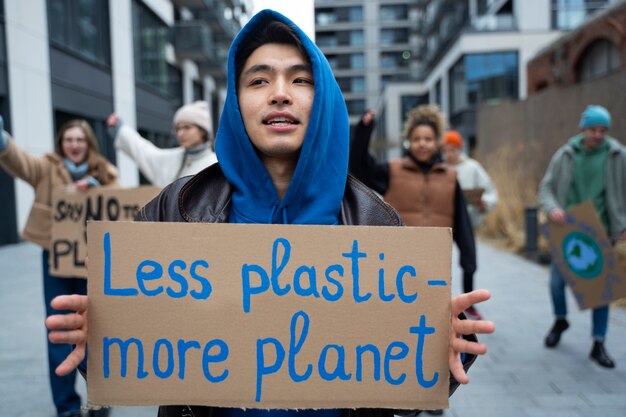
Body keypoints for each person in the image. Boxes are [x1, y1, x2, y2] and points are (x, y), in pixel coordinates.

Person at [45, 10, 495, 417]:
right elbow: (139, 352)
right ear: (235, 102)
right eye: (258, 81)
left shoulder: (375, 222)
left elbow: (393, 392)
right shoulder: (175, 208)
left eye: (300, 80)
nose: (280, 94)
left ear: (323, 99)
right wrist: (99, 343)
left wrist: (437, 353)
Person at [0, 117, 117, 417]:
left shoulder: (104, 172)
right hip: (57, 261)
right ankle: (66, 408)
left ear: (88, 143)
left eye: (79, 139)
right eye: (69, 140)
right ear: (61, 144)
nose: (74, 145)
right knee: (58, 334)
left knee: (96, 334)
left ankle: (100, 401)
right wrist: (1, 138)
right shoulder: (46, 168)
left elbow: (117, 204)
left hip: (94, 263)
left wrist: (97, 190)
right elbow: (18, 160)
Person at [350, 105, 482, 320]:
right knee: (396, 320)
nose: (422, 143)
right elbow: (359, 167)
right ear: (408, 142)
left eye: (428, 139)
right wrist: (364, 130)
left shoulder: (450, 177)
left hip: (434, 267)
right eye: (417, 138)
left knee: (431, 325)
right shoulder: (392, 172)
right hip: (396, 263)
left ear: (437, 142)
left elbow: (463, 223)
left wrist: (469, 264)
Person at [538, 104, 626, 369]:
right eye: (592, 129)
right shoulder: (565, 154)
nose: (598, 134)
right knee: (555, 283)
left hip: (601, 231)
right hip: (568, 231)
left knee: (600, 291)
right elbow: (546, 188)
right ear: (583, 129)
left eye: (602, 129)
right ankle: (561, 319)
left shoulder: (617, 155)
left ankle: (598, 342)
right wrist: (553, 208)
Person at [106, 100, 217, 186]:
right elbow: (145, 152)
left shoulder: (215, 165)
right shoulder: (174, 158)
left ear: (203, 131)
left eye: (187, 127)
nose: (180, 133)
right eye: (178, 128)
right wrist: (121, 130)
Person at [441, 130, 498, 230]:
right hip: (444, 224)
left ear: (459, 148)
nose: (448, 154)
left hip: (469, 224)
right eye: (445, 151)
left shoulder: (473, 167)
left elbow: (491, 191)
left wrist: (484, 203)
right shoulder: (439, 168)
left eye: (452, 149)